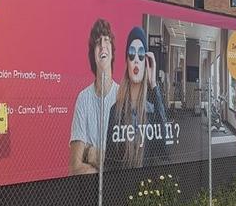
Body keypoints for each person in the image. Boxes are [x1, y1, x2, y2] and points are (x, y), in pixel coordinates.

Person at [106, 27, 169, 169]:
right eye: (131, 54)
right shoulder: (115, 111)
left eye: (141, 54)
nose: (136, 60)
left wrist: (153, 84)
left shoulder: (153, 110)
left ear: (145, 62)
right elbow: (109, 161)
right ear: (126, 61)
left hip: (146, 184)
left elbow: (164, 150)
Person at [69, 19, 118, 174]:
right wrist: (105, 165)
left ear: (112, 51)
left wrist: (89, 151)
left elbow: (125, 163)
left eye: (107, 40)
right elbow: (75, 167)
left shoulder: (123, 96)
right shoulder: (84, 99)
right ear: (93, 54)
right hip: (89, 188)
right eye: (98, 42)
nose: (103, 45)